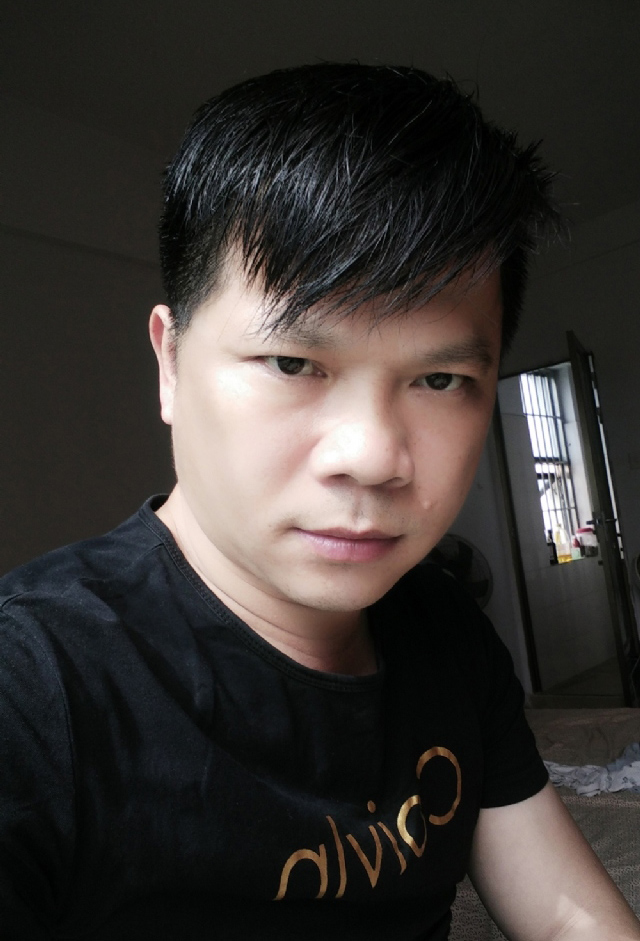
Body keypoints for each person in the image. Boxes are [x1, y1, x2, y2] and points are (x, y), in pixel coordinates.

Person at [1, 63, 638, 941]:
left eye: (439, 379)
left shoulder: (447, 631)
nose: (372, 456)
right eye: (294, 363)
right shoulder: (33, 690)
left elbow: (570, 917)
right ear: (171, 364)